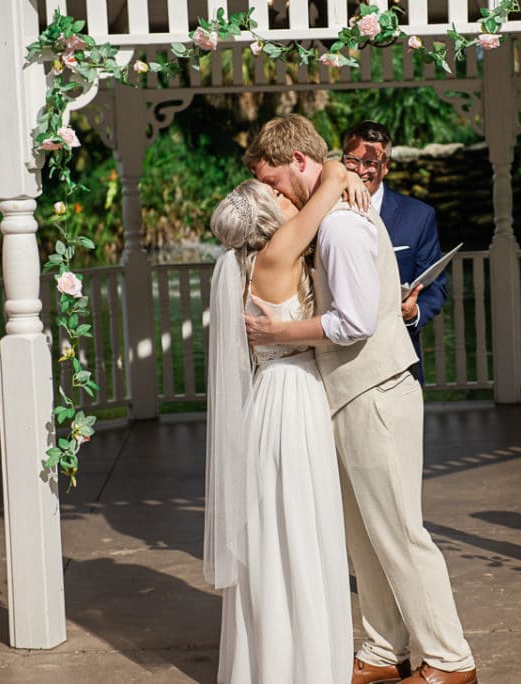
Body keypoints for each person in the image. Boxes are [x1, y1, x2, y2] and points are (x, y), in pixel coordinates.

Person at [244, 114, 477, 684]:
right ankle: (382, 648)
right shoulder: (326, 208)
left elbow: (351, 323)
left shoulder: (342, 228)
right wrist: (330, 172)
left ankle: (450, 660)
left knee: (399, 531)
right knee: (364, 534)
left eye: (272, 180)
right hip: (348, 394)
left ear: (298, 163)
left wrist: (277, 335)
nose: (270, 193)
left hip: (375, 391)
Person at [205, 160, 370, 683]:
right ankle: (305, 666)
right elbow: (328, 189)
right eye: (275, 196)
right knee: (299, 530)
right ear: (266, 217)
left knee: (277, 532)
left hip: (270, 400)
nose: (287, 200)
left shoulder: (245, 265)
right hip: (292, 400)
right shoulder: (277, 253)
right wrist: (343, 169)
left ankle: (275, 659)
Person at [341, 120, 447, 383]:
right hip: (340, 358)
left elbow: (435, 287)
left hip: (398, 357)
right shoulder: (324, 209)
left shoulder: (418, 216)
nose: (360, 170)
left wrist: (414, 313)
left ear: (386, 167)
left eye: (370, 163)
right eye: (352, 160)